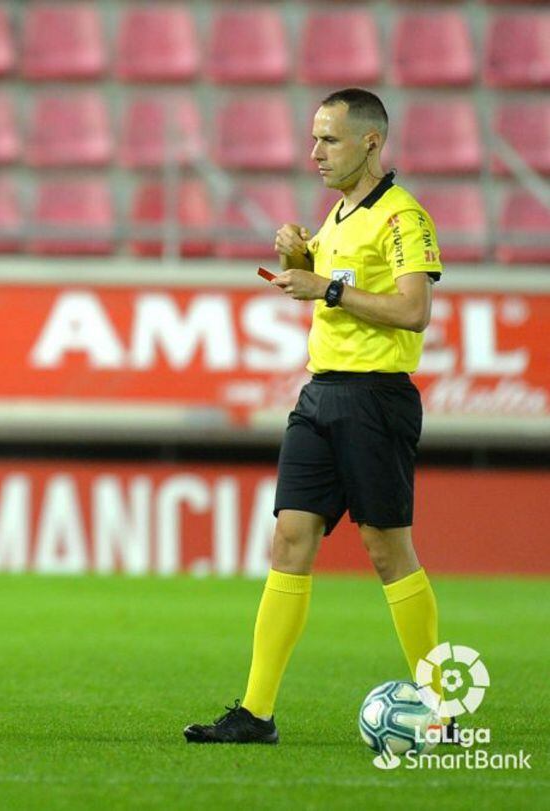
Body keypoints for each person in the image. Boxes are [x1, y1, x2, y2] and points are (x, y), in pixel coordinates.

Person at [184, 89, 447, 744]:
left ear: (370, 143)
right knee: (289, 540)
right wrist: (304, 259)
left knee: (388, 549)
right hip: (320, 394)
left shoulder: (403, 217)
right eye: (313, 138)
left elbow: (413, 310)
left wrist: (323, 284)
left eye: (329, 139)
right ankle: (257, 711)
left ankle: (440, 710)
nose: (315, 153)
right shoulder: (336, 216)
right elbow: (338, 291)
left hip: (375, 398)